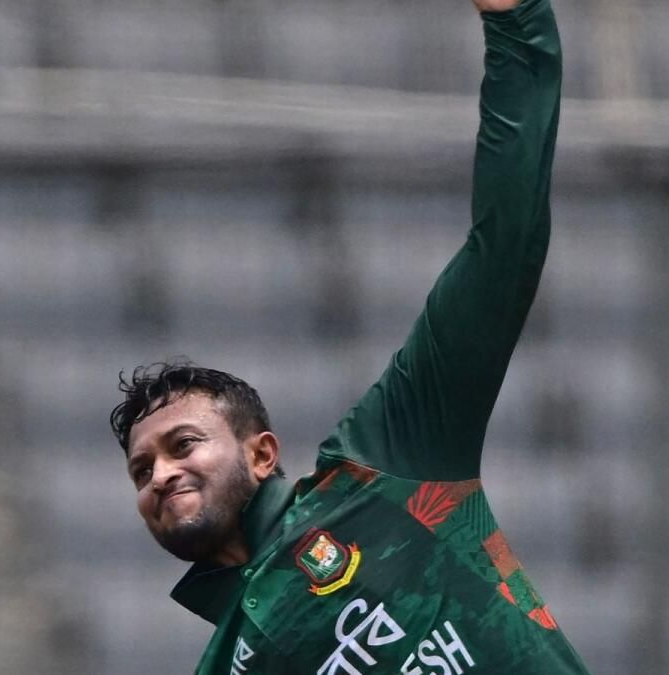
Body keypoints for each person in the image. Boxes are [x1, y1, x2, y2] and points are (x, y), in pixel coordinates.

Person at [109, 0, 590, 672]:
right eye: (142, 471)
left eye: (183, 444)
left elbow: (505, 246)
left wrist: (518, 22)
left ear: (262, 453)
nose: (161, 475)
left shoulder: (384, 463)